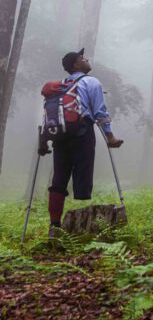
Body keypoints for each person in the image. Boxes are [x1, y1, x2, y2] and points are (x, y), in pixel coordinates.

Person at [38, 48, 123, 231]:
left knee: (58, 180)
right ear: (76, 64)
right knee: (83, 172)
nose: (87, 60)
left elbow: (48, 113)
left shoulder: (58, 86)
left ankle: (54, 226)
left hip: (59, 135)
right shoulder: (91, 81)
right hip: (82, 132)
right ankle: (83, 207)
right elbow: (100, 112)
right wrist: (111, 137)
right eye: (83, 58)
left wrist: (44, 140)